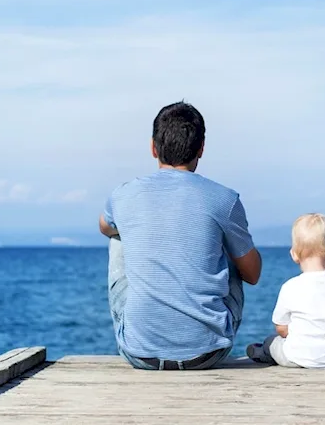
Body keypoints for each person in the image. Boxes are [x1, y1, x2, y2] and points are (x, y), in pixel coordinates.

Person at [99, 101, 262, 370]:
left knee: (118, 236)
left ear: (153, 147)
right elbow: (253, 275)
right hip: (208, 354)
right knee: (230, 244)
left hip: (139, 354)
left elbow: (104, 227)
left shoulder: (123, 194)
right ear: (201, 148)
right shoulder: (225, 199)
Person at [247, 213, 325, 369]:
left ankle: (263, 352)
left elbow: (281, 327)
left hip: (296, 358)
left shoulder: (290, 286)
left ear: (294, 254)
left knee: (273, 342)